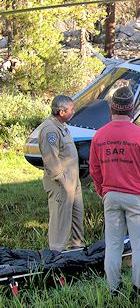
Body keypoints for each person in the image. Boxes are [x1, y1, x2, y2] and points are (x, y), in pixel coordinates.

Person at [89, 86, 140, 297]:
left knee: (113, 245)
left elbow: (94, 169)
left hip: (111, 195)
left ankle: (114, 289)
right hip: (137, 196)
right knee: (139, 247)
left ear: (111, 108)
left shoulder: (99, 135)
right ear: (132, 109)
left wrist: (102, 190)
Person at [38, 95, 84, 251]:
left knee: (77, 217)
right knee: (60, 221)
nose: (74, 112)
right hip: (61, 184)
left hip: (73, 182)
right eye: (71, 109)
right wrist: (64, 183)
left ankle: (77, 249)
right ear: (62, 111)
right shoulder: (50, 129)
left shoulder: (62, 126)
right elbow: (51, 160)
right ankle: (57, 254)